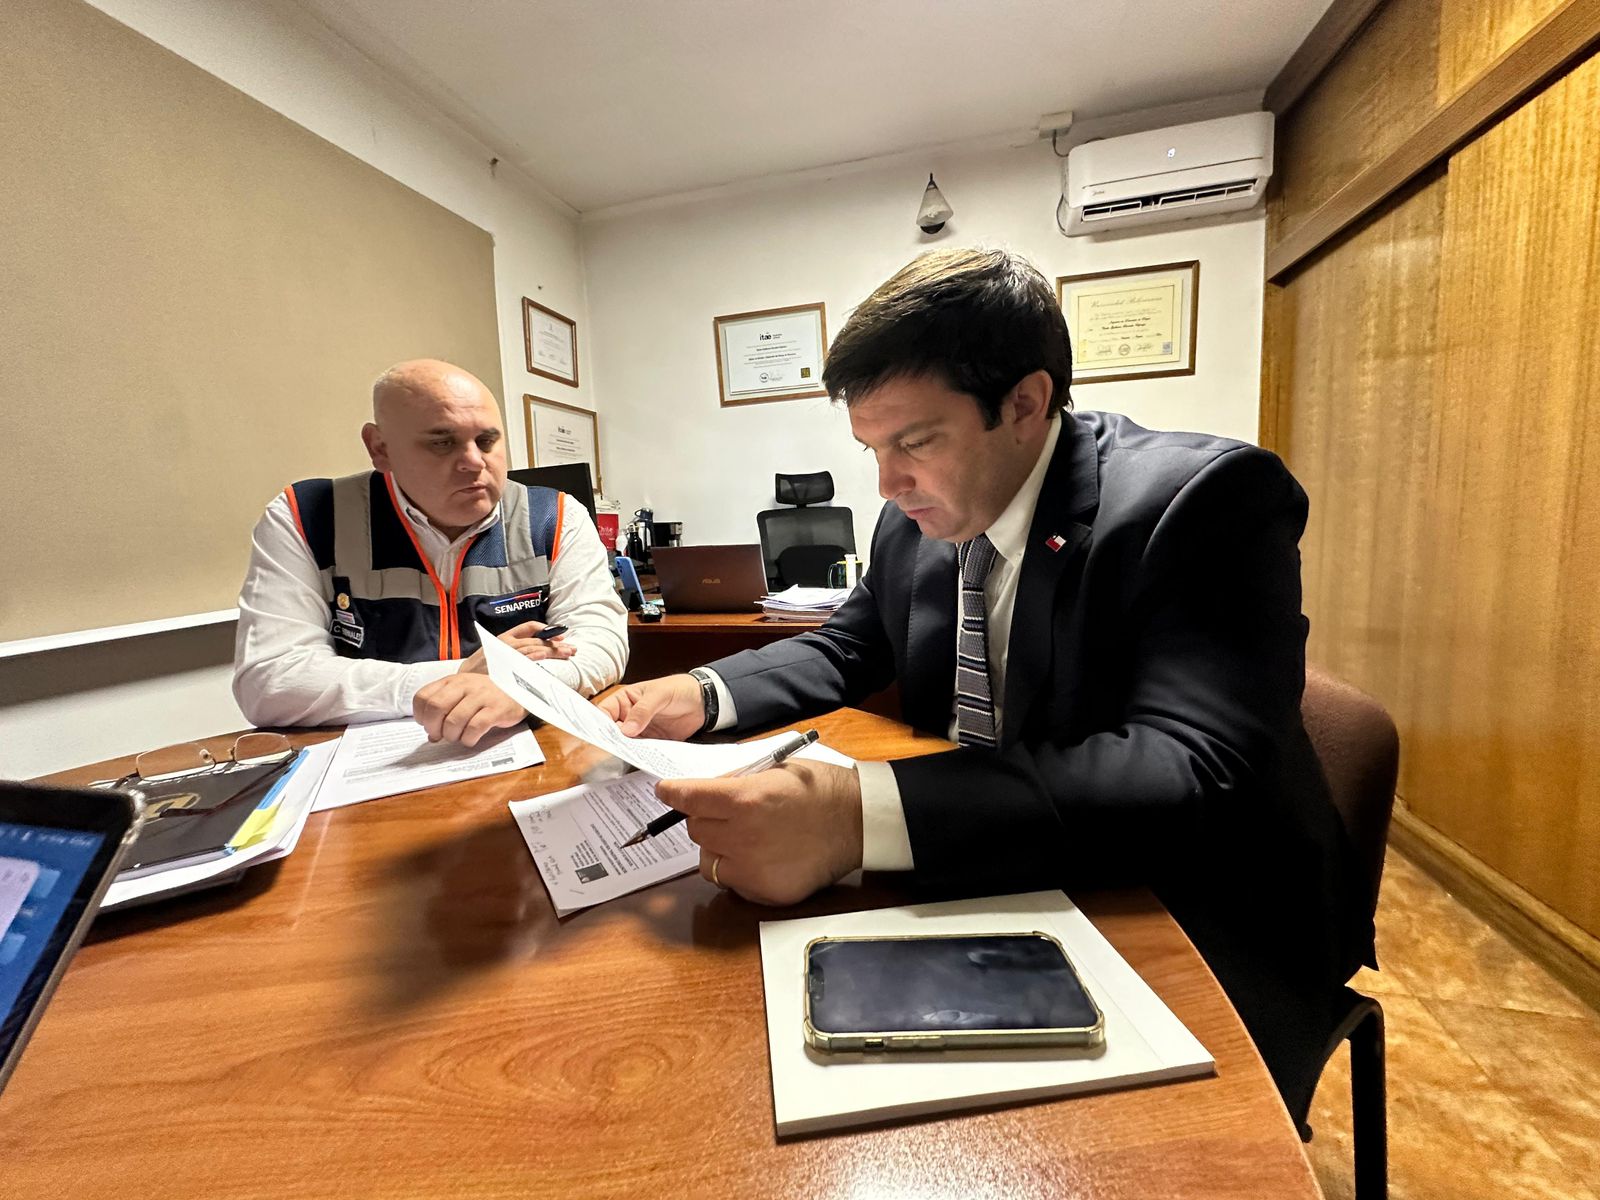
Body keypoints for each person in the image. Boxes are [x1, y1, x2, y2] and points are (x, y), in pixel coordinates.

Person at [599, 249, 1371, 1121]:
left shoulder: (1204, 500)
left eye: (914, 442)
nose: (888, 484)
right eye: (871, 449)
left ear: (1025, 404)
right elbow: (852, 646)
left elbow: (1192, 767)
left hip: (1195, 902)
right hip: (988, 862)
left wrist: (855, 816)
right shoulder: (914, 520)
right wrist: (700, 692)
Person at [234, 358, 627, 744]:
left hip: (521, 754)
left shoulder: (554, 516)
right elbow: (270, 681)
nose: (474, 462)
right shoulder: (308, 516)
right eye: (442, 443)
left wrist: (525, 688)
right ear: (380, 448)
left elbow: (601, 643)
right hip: (368, 763)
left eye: (487, 441)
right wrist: (466, 676)